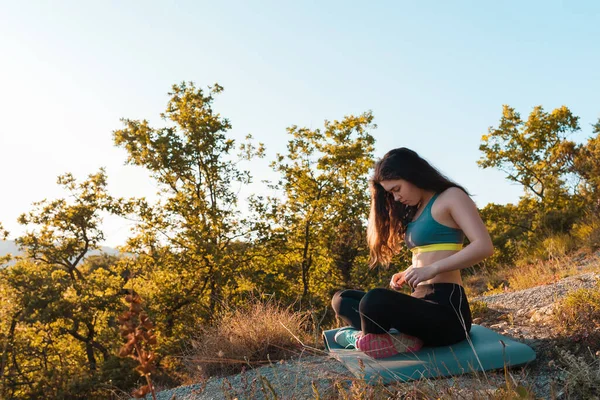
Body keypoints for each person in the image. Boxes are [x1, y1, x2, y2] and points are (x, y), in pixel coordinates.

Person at [331, 147, 494, 358]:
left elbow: (483, 246)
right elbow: (431, 253)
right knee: (343, 299)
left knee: (374, 300)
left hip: (446, 312)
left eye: (397, 189)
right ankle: (392, 340)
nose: (396, 198)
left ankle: (367, 340)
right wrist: (410, 270)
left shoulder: (451, 197)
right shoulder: (416, 210)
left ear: (412, 174)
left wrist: (431, 269)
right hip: (419, 301)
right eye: (391, 193)